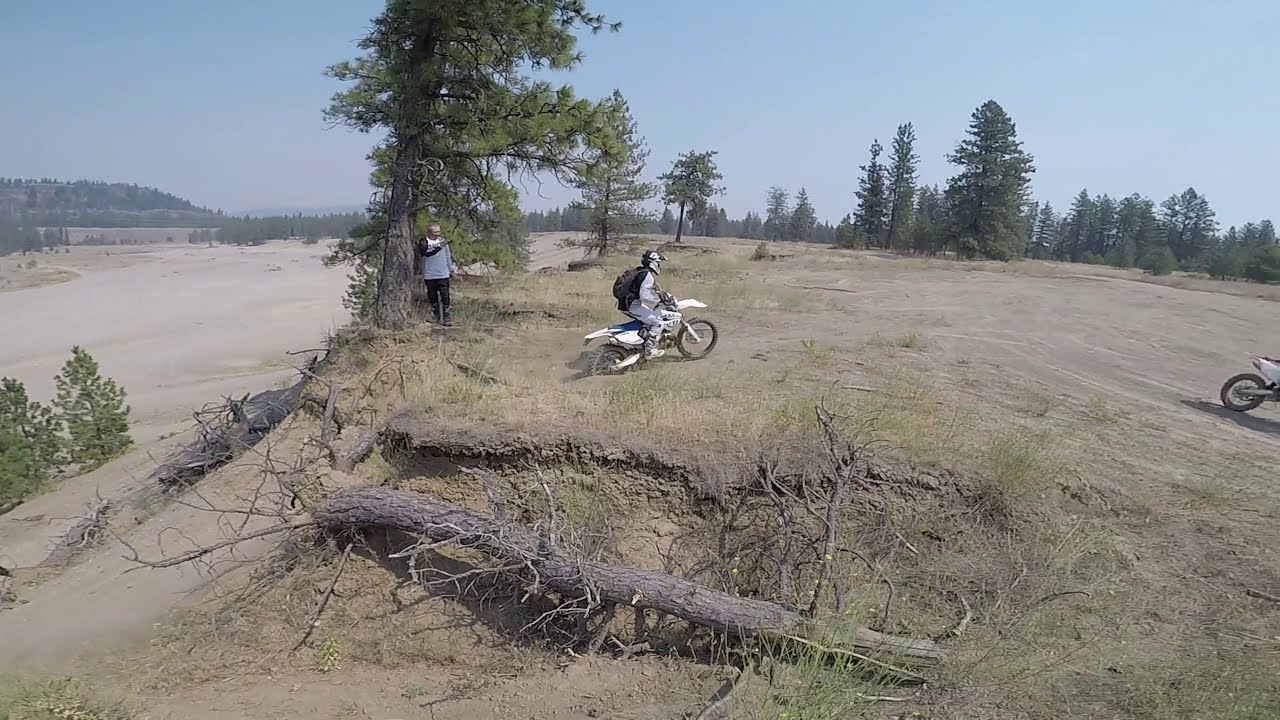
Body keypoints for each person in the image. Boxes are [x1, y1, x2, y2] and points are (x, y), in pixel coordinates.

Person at [616, 250, 675, 358]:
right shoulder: (647, 275)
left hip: (627, 303)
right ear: (653, 262)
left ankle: (643, 341)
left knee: (650, 317)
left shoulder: (640, 271)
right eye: (659, 263)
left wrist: (660, 295)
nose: (659, 266)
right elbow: (645, 296)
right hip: (632, 305)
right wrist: (658, 300)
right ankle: (649, 350)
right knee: (658, 322)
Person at [416, 224, 453, 326]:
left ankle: (446, 316)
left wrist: (451, 270)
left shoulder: (443, 242)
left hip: (443, 273)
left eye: (438, 231)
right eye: (435, 232)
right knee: (432, 295)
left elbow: (448, 256)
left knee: (445, 295)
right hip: (430, 274)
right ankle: (435, 315)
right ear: (429, 232)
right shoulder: (423, 242)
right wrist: (439, 246)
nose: (437, 234)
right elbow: (426, 253)